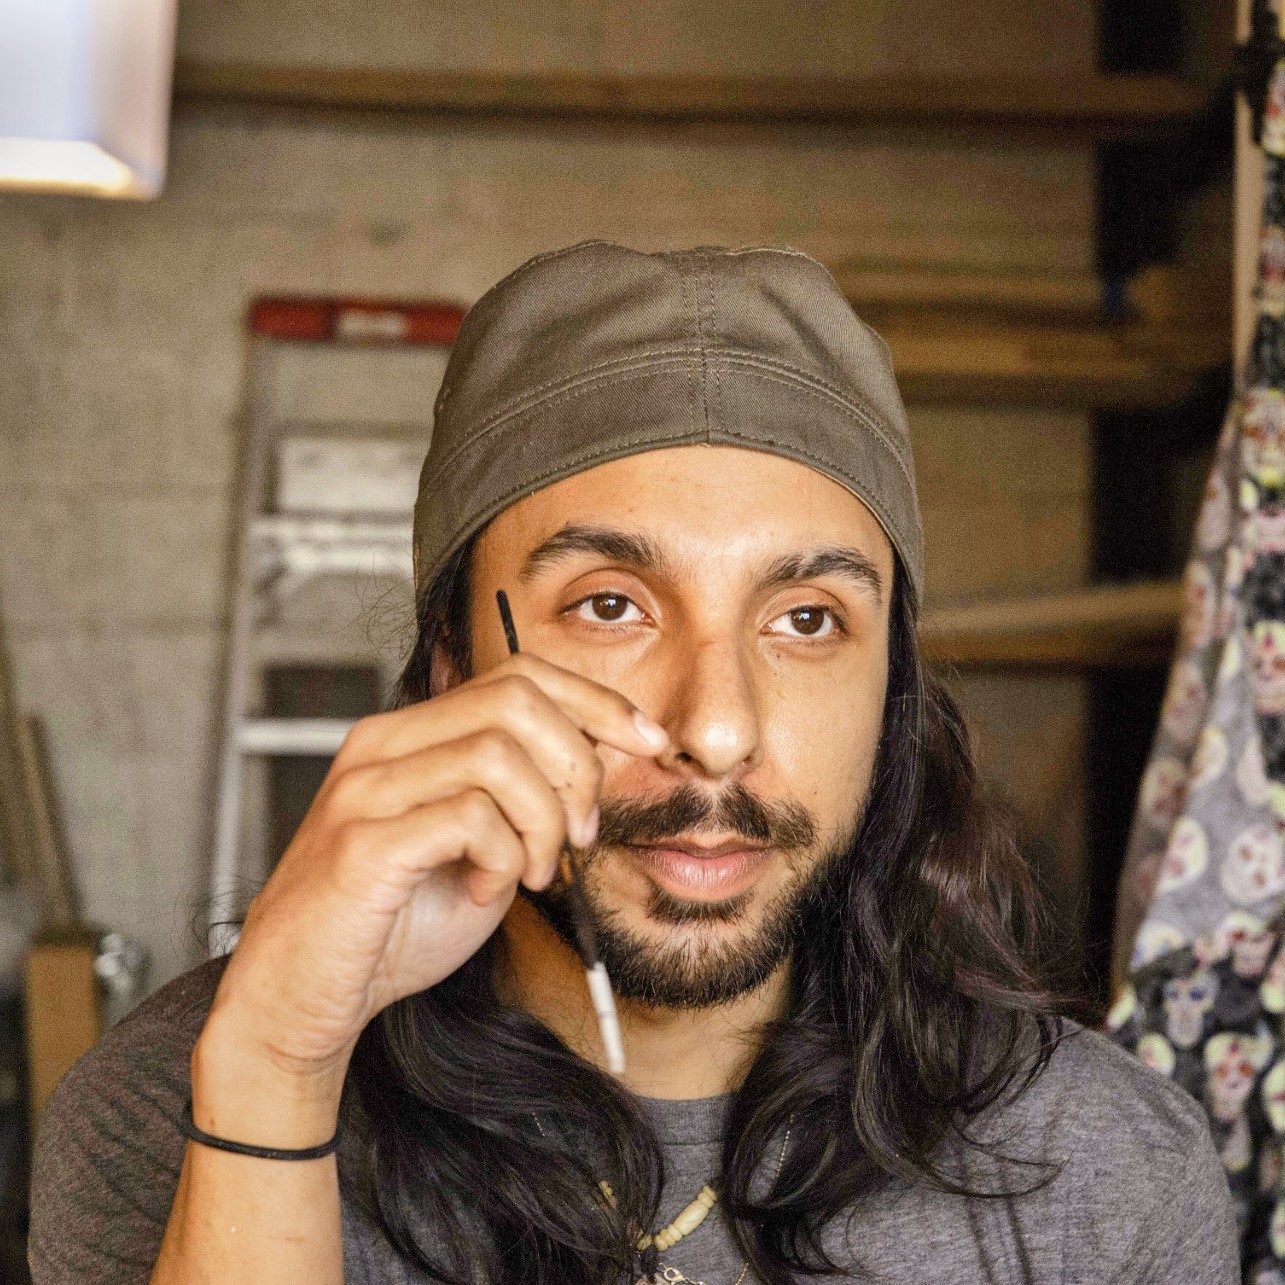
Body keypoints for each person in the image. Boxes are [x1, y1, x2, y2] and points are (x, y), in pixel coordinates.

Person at [30, 243, 1237, 1284]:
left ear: (893, 690)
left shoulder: (1102, 1168)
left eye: (807, 618)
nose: (714, 728)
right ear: (452, 657)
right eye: (610, 605)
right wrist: (276, 1067)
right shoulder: (175, 1107)